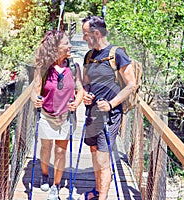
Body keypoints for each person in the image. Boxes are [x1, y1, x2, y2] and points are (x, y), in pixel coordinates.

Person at [79, 16, 136, 200]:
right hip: (92, 114)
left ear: (96, 33)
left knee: (103, 160)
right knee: (95, 153)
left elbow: (131, 85)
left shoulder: (117, 54)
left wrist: (111, 104)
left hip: (110, 116)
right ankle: (97, 191)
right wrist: (85, 94)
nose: (83, 38)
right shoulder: (89, 56)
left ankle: (102, 197)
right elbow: (86, 82)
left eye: (85, 34)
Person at [31, 30, 84, 200]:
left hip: (65, 116)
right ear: (55, 48)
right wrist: (35, 100)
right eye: (66, 43)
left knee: (61, 152)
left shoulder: (74, 67)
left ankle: (56, 185)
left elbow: (80, 90)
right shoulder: (44, 68)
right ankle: (45, 175)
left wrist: (77, 103)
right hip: (46, 114)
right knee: (46, 147)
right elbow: (34, 90)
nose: (70, 46)